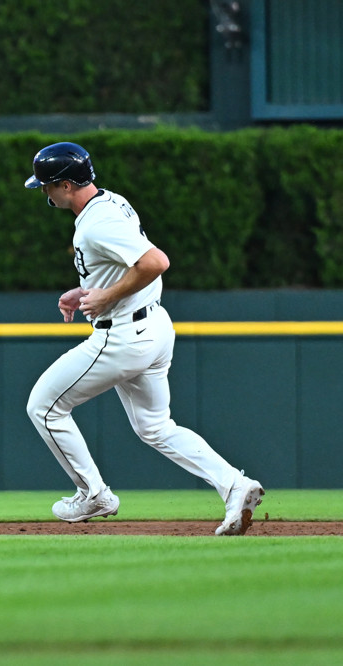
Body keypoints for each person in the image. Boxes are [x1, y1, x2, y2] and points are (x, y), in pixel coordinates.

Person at [22, 141, 264, 536]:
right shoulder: (109, 202)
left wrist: (106, 295)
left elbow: (156, 262)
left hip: (123, 337)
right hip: (153, 327)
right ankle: (235, 485)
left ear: (66, 185)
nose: (45, 192)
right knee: (155, 427)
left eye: (48, 185)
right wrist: (85, 291)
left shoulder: (98, 222)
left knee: (44, 406)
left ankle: (93, 493)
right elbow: (124, 266)